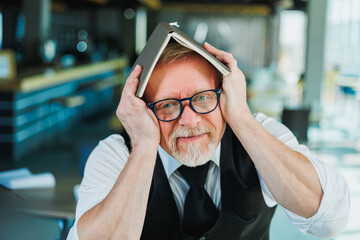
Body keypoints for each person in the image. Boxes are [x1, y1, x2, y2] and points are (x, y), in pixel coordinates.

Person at [67, 41, 350, 240]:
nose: (189, 121)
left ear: (224, 95)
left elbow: (330, 220)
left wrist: (241, 118)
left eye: (202, 98)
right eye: (167, 105)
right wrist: (143, 147)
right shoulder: (117, 154)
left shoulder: (258, 133)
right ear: (144, 110)